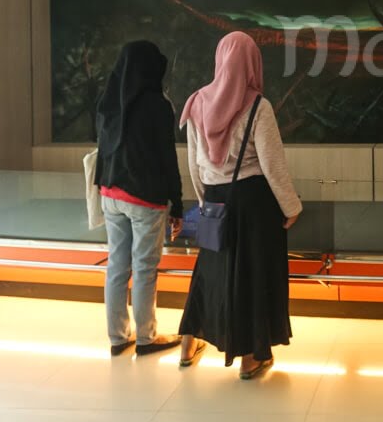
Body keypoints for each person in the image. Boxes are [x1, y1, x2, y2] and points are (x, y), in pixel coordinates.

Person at [177, 31, 301, 378]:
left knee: (209, 273)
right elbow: (272, 165)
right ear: (252, 63)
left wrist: (206, 203)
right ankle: (250, 359)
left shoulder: (197, 101)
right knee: (252, 275)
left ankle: (188, 345)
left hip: (216, 200)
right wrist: (291, 207)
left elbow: (194, 163)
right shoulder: (258, 107)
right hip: (254, 204)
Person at [94, 40, 184, 357]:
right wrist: (178, 203)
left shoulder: (108, 102)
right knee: (145, 268)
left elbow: (103, 151)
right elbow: (167, 158)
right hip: (145, 199)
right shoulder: (157, 106)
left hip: (110, 194)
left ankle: (118, 337)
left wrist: (100, 186)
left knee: (117, 266)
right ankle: (146, 337)